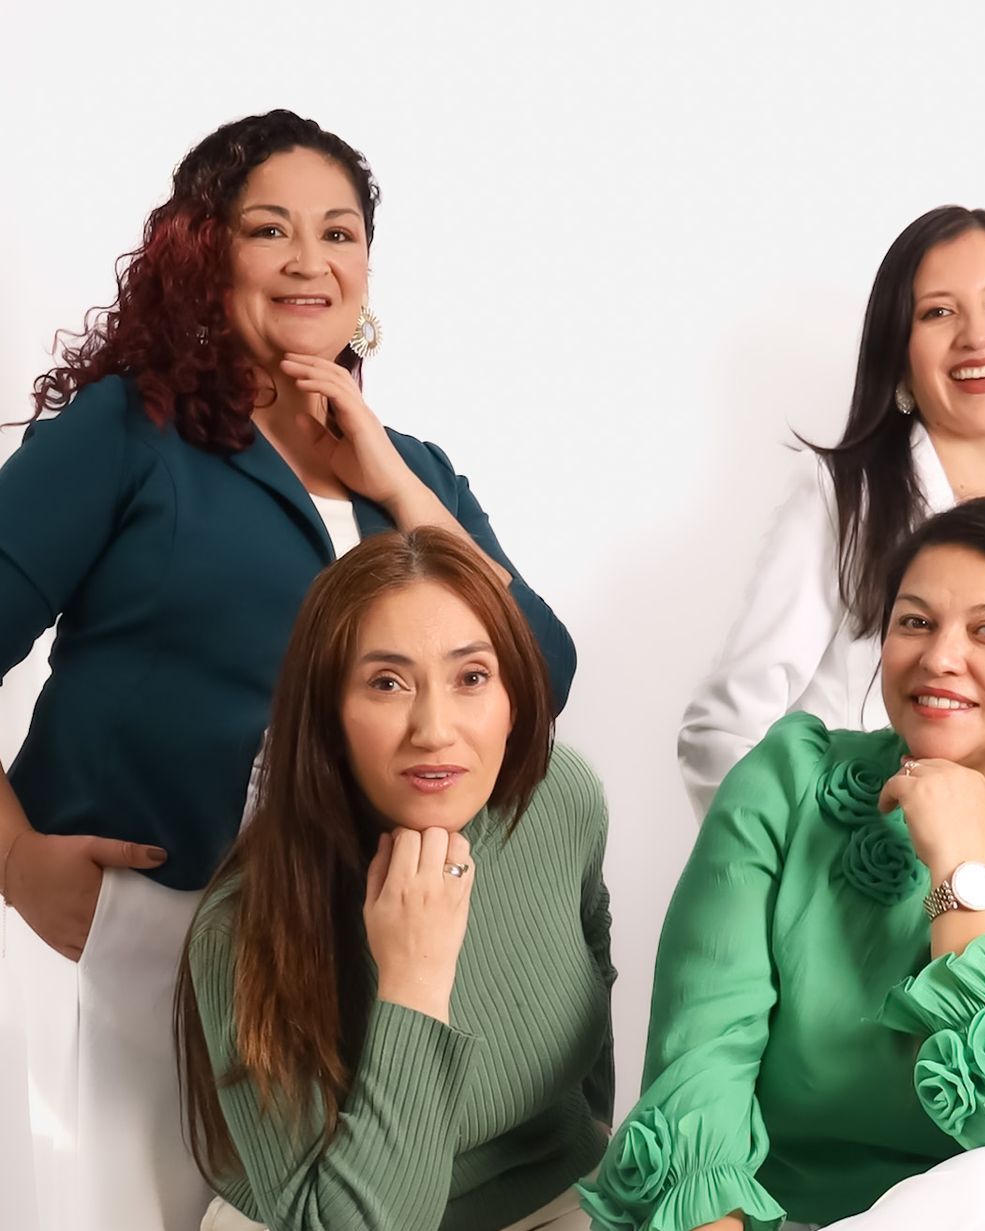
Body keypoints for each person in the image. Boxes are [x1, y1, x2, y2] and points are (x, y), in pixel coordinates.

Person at [0, 110, 574, 1231]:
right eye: (271, 230)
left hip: (350, 964)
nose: (311, 260)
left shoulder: (415, 468)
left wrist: (397, 489)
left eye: (340, 232)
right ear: (204, 254)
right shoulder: (128, 431)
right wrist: (14, 853)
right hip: (154, 942)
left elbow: (538, 674)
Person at [584, 498, 985, 1230]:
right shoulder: (787, 785)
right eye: (914, 621)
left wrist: (962, 863)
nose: (939, 656)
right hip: (787, 1217)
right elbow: (701, 1059)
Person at [176, 527, 611, 1231]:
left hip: (559, 1195)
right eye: (387, 682)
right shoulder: (243, 925)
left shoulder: (564, 798)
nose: (434, 729)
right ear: (328, 715)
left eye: (472, 677)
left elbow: (594, 982)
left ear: (514, 697)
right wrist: (414, 978)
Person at [677, 206, 985, 817]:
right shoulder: (844, 499)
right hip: (872, 878)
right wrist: (813, 873)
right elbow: (720, 732)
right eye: (938, 312)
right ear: (898, 354)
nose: (977, 336)